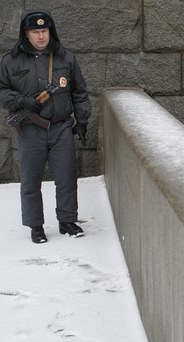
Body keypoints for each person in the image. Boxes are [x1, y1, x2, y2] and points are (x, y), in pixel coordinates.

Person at [0, 10, 91, 243]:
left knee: (67, 177)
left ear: (50, 32)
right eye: (35, 32)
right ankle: (36, 226)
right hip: (30, 130)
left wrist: (82, 122)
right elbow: (2, 92)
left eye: (44, 31)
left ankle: (68, 220)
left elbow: (79, 92)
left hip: (61, 128)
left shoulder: (66, 58)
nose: (41, 36)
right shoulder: (11, 61)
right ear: (26, 34)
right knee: (30, 180)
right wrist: (22, 101)